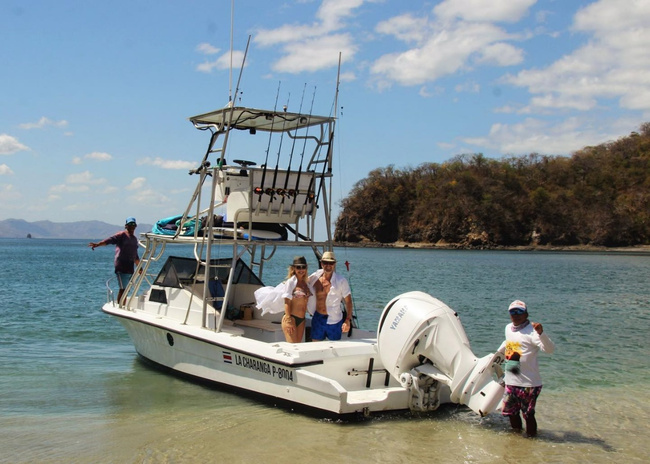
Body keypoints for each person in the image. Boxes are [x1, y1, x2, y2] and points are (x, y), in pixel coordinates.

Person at [497, 300, 555, 438]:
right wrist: (496, 357)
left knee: (528, 415)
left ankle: (531, 441)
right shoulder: (508, 328)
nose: (516, 315)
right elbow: (508, 343)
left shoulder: (533, 332)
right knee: (510, 413)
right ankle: (517, 442)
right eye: (513, 312)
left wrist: (541, 333)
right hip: (511, 381)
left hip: (529, 384)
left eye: (519, 312)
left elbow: (550, 349)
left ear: (526, 314)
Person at [89, 217, 140, 304]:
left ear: (135, 226)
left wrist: (140, 267)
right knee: (123, 288)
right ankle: (121, 306)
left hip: (130, 267)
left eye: (133, 224)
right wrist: (98, 244)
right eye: (130, 224)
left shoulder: (134, 239)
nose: (132, 226)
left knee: (127, 289)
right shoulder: (121, 235)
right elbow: (109, 240)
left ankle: (123, 305)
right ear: (126, 226)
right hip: (121, 266)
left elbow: (135, 255)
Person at [308, 251, 353, 341]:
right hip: (318, 319)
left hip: (334, 321)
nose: (328, 265)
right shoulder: (314, 278)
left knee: (334, 350)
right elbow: (301, 284)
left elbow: (348, 301)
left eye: (331, 263)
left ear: (334, 264)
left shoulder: (341, 281)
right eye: (325, 263)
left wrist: (348, 320)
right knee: (315, 348)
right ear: (321, 263)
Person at [280, 256, 314, 343]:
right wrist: (288, 320)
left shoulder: (306, 283)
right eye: (298, 267)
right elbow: (286, 302)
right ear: (293, 268)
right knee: (293, 347)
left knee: (298, 346)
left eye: (303, 267)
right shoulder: (290, 282)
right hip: (291, 318)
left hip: (302, 319)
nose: (301, 269)